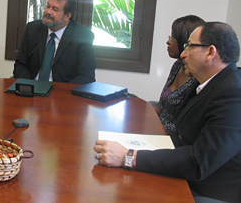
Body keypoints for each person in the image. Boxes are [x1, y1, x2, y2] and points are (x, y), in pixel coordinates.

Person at [94, 22, 241, 202]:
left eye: (189, 46)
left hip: (204, 191)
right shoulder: (202, 82)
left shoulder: (233, 94)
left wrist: (128, 156)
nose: (182, 53)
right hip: (184, 173)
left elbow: (199, 162)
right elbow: (180, 135)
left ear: (210, 52)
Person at [13, 0, 96, 84]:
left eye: (55, 9)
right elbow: (20, 65)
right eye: (48, 6)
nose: (48, 12)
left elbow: (86, 76)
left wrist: (60, 94)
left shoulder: (83, 36)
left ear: (67, 16)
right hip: (31, 88)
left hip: (61, 93)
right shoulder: (32, 29)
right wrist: (28, 87)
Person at [155, 15, 205, 134]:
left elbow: (185, 129)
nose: (168, 42)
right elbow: (161, 106)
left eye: (173, 37)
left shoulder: (198, 78)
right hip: (158, 125)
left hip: (171, 136)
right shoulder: (178, 65)